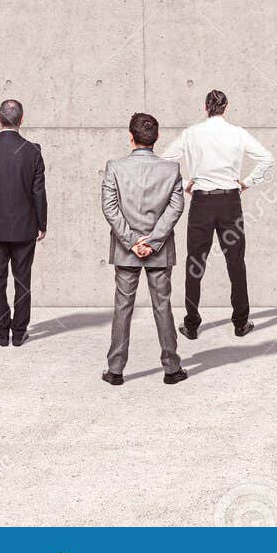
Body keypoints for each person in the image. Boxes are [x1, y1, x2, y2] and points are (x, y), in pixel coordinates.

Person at [159, 89, 274, 340]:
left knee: (195, 263)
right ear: (226, 107)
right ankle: (241, 323)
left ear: (205, 107)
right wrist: (246, 182)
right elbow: (267, 158)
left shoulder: (191, 134)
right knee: (236, 262)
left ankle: (191, 324)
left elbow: (164, 160)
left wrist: (187, 182)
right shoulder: (237, 133)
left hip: (201, 202)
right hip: (230, 202)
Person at [100, 113, 188, 386]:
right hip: (159, 251)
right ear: (157, 138)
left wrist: (131, 241)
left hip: (127, 251)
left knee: (122, 308)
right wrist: (153, 241)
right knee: (162, 306)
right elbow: (176, 208)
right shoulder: (171, 170)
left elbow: (109, 208)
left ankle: (115, 371)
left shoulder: (114, 167)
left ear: (131, 135)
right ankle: (172, 369)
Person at [0, 99, 46, 347]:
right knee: (23, 280)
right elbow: (38, 193)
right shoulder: (33, 150)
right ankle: (19, 332)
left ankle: (2, 332)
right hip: (25, 227)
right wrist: (42, 224)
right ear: (21, 120)